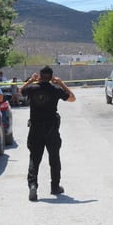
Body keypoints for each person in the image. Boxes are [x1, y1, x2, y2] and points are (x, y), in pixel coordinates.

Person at [19, 66, 76, 201]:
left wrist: (31, 81)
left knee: (34, 158)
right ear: (51, 77)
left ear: (39, 76)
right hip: (51, 129)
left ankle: (33, 185)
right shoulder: (55, 90)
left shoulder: (32, 89)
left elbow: (20, 91)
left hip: (35, 128)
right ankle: (55, 187)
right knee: (54, 158)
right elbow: (72, 98)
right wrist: (61, 83)